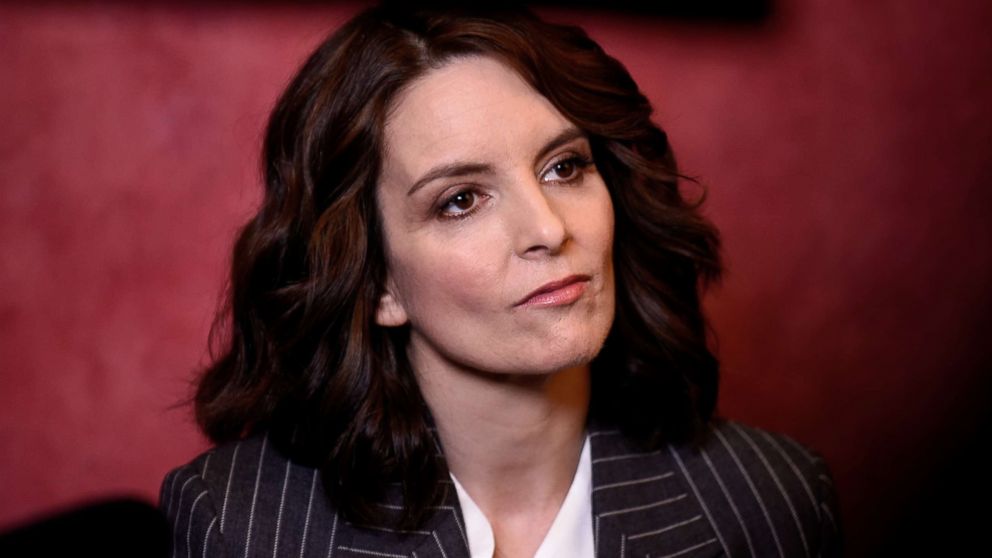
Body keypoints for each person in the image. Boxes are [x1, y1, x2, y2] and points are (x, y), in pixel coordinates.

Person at [161, 3, 841, 557]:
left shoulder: (773, 502)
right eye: (460, 200)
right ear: (376, 286)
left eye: (564, 167)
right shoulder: (239, 526)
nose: (548, 229)